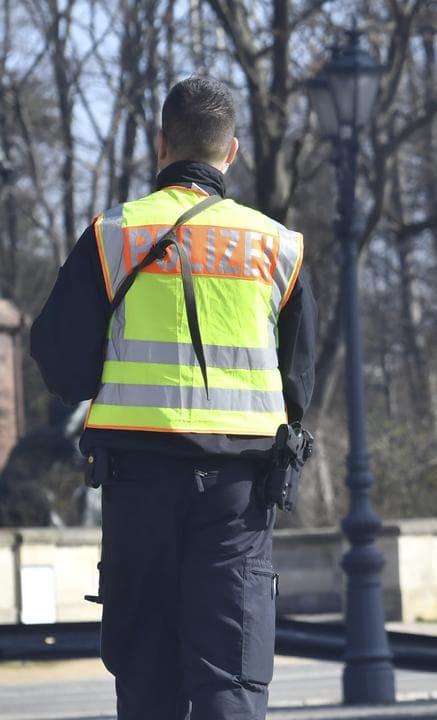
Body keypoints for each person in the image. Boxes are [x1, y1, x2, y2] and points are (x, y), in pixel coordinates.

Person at [29, 77, 316, 720]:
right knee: (231, 677)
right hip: (241, 488)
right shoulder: (278, 246)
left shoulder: (112, 234)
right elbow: (300, 381)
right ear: (232, 151)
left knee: (148, 675)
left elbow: (59, 361)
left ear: (161, 144)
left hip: (138, 479)